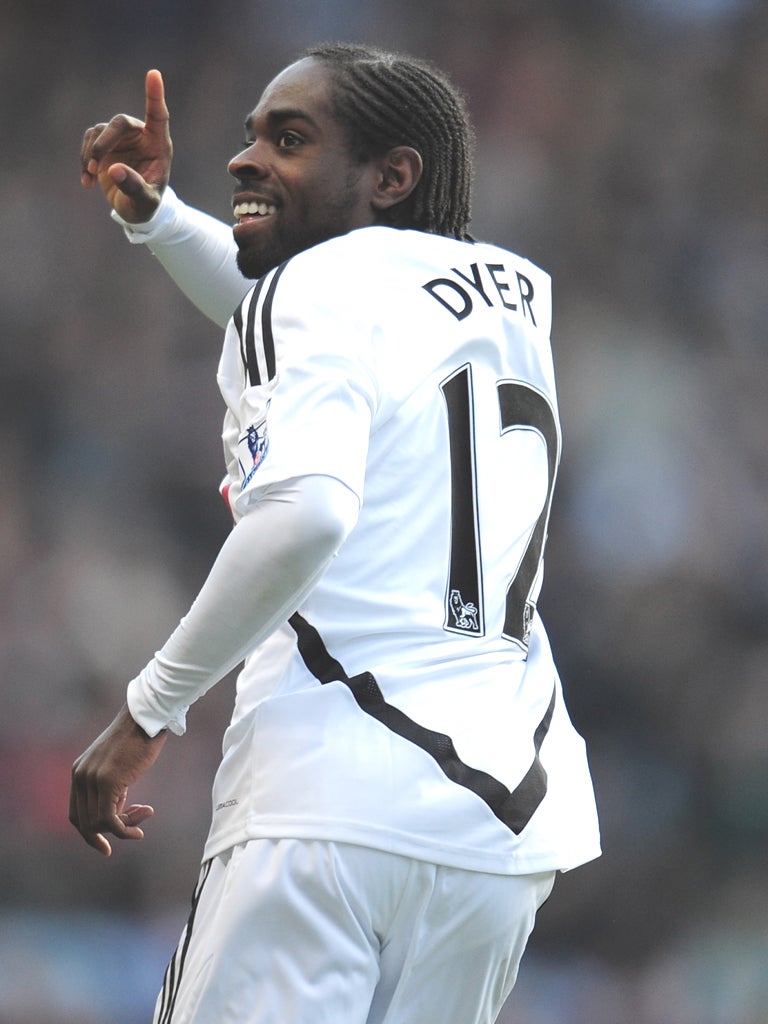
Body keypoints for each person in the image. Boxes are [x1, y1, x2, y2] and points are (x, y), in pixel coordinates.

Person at [69, 43, 600, 1024]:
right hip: (502, 831)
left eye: (291, 138)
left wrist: (148, 711)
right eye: (253, 136)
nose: (244, 159)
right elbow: (290, 312)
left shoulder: (310, 299)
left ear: (393, 175)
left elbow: (306, 511)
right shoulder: (510, 298)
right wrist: (156, 217)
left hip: (324, 804)